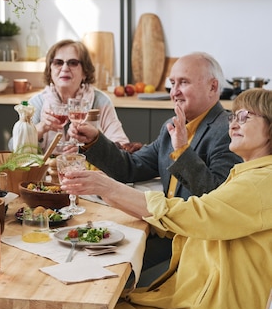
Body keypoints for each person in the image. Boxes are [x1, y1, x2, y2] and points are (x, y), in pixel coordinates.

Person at [57, 88, 272, 309]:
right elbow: (134, 167)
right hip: (203, 296)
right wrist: (113, 191)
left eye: (246, 116)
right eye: (234, 116)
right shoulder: (247, 173)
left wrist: (112, 189)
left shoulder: (261, 181)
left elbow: (200, 213)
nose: (235, 122)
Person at [68, 52, 242, 278]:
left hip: (189, 243)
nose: (175, 91)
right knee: (84, 255)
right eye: (172, 83)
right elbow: (130, 167)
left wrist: (181, 151)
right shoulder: (172, 126)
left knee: (108, 272)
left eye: (184, 82)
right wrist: (94, 140)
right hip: (157, 228)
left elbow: (215, 196)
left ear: (213, 87)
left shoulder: (227, 131)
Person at [14, 39, 129, 154]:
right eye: (58, 62)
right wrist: (41, 128)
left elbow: (123, 147)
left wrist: (89, 148)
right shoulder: (36, 103)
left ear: (85, 72)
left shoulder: (100, 101)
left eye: (73, 63)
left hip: (87, 170)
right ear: (50, 70)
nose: (64, 68)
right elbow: (14, 149)